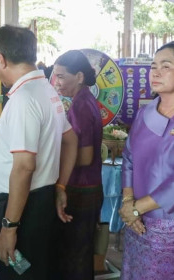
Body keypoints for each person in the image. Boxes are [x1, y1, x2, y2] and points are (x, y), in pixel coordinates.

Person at [0, 25, 78, 280]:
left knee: (19, 274)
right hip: (39, 200)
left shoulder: (24, 98)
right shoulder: (47, 91)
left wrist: (9, 227)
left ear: (0, 59)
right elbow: (70, 140)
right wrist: (59, 187)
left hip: (21, 209)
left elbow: (25, 166)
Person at [118, 41, 174, 279]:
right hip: (137, 224)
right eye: (154, 66)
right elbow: (129, 158)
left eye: (166, 66)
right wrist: (128, 201)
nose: (156, 72)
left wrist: (138, 208)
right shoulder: (145, 113)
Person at [53, 50, 104, 279]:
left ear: (80, 77)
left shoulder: (81, 106)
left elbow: (84, 158)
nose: (56, 82)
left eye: (61, 76)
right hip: (87, 187)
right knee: (79, 253)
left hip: (81, 189)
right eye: (54, 76)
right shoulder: (83, 100)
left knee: (75, 256)